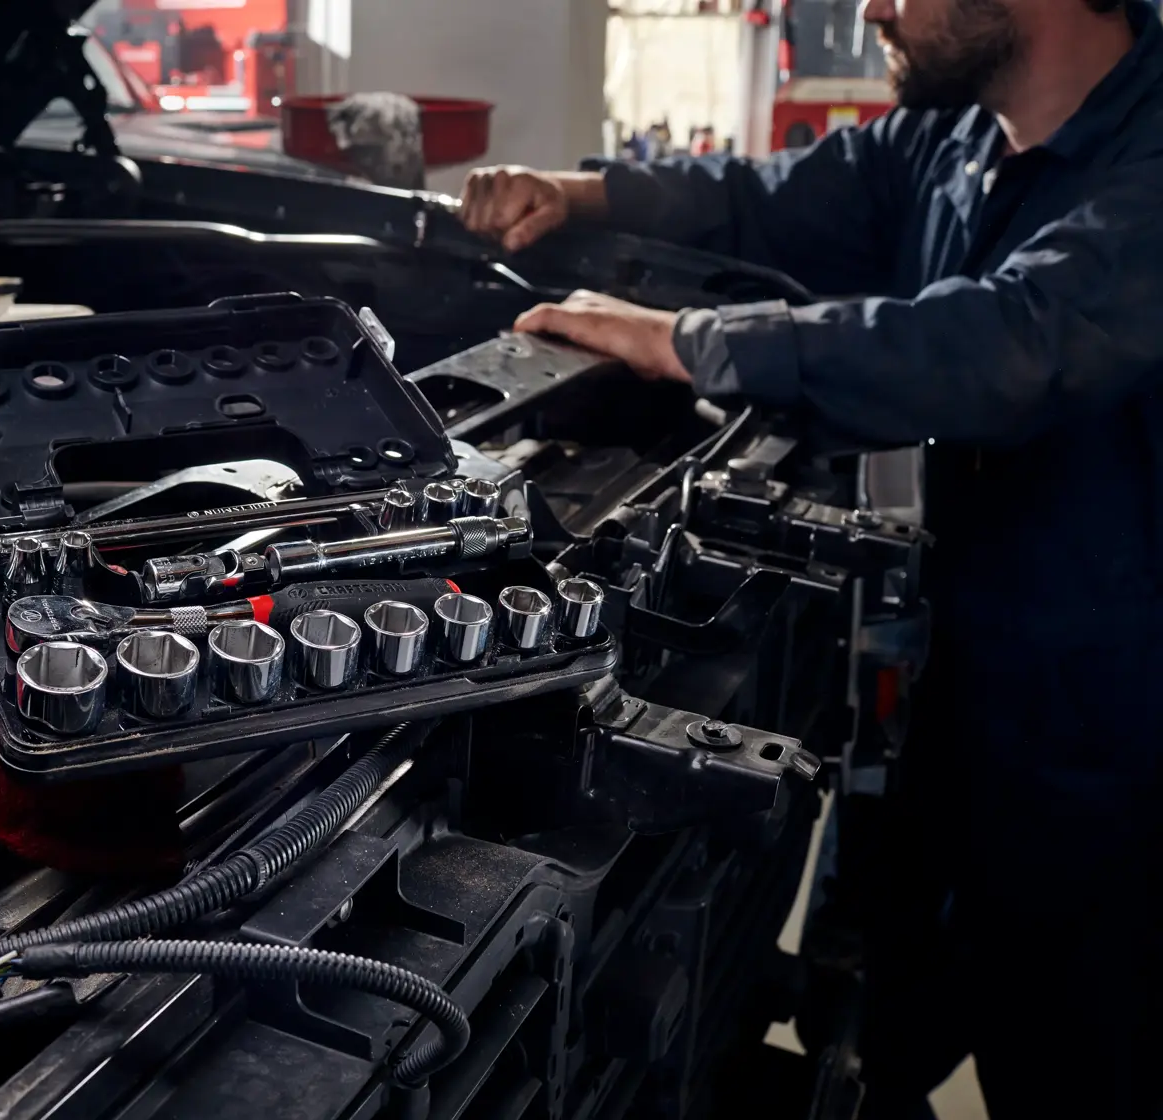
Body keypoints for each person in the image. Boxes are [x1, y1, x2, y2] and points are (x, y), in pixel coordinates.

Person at [459, 0, 1163, 1117]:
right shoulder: (950, 141)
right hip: (944, 702)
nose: (872, 8)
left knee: (1075, 1059)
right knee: (880, 1020)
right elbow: (761, 195)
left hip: (1115, 757)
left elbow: (1014, 340)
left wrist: (686, 341)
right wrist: (575, 193)